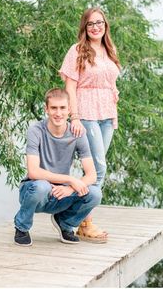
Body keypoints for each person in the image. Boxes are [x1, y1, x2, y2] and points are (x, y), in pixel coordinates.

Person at [59, 7, 121, 242]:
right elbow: (70, 87)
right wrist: (73, 117)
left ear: (106, 25)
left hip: (107, 113)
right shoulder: (77, 51)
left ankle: (76, 215)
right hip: (86, 112)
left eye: (100, 22)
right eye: (91, 23)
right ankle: (80, 221)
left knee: (94, 170)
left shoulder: (109, 49)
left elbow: (110, 82)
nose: (96, 27)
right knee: (99, 168)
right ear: (85, 27)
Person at [14, 88, 102, 246]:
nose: (58, 113)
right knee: (41, 187)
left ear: (69, 110)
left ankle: (65, 223)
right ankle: (22, 226)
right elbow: (33, 172)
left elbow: (92, 175)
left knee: (95, 193)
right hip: (35, 190)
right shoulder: (36, 130)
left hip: (61, 193)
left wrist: (70, 188)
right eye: (54, 108)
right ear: (46, 109)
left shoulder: (78, 133)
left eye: (62, 108)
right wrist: (70, 180)